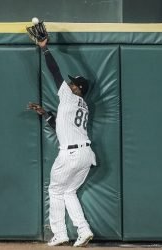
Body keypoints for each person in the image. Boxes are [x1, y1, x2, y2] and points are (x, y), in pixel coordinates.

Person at [27, 38, 96, 247]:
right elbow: (62, 125)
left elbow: (55, 72)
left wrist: (44, 48)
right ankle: (83, 230)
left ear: (78, 88)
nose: (69, 84)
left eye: (73, 83)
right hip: (85, 154)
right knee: (68, 191)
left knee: (55, 191)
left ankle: (60, 233)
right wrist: (44, 113)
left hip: (70, 155)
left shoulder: (68, 95)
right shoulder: (83, 105)